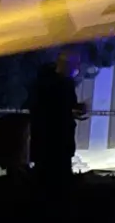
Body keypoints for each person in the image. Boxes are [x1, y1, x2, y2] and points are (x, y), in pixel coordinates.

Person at [26, 51, 86, 189]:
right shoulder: (52, 84)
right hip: (53, 145)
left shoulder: (54, 83)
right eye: (75, 64)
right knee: (52, 184)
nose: (78, 67)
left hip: (55, 145)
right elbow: (54, 113)